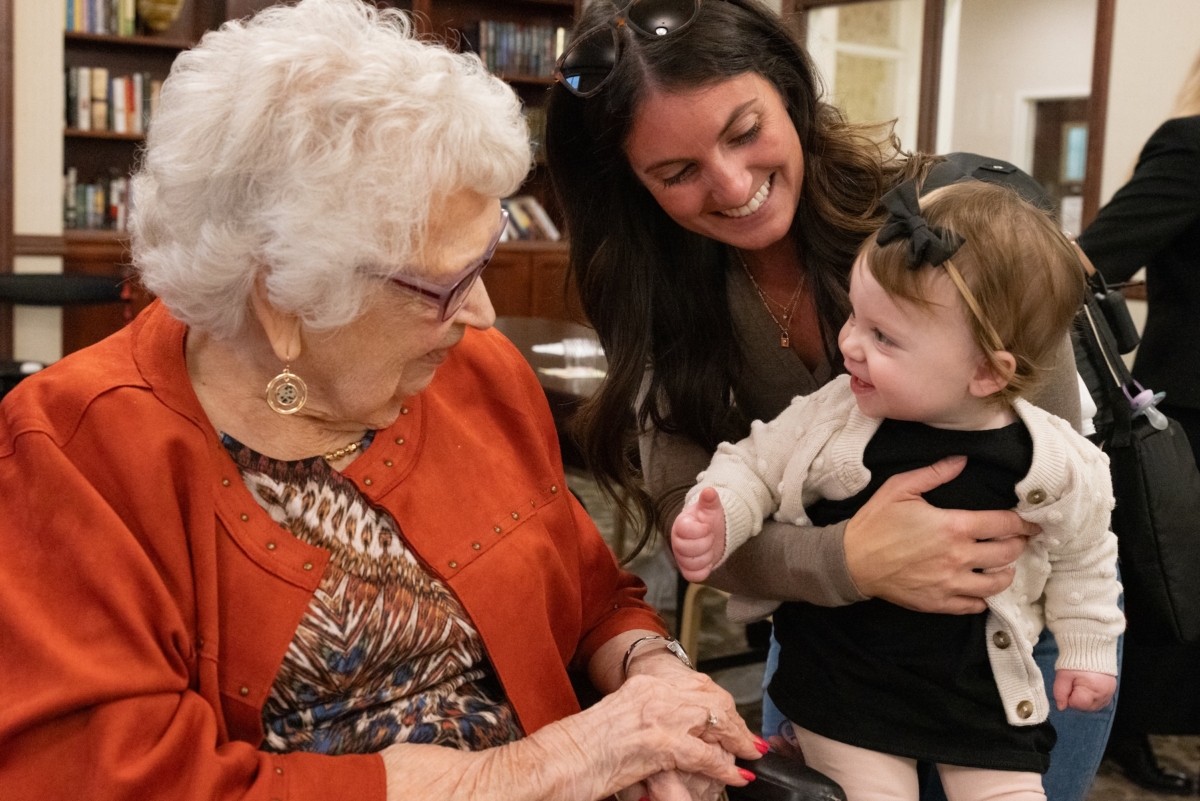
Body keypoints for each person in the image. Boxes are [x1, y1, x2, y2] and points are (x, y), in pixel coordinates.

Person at [0, 2, 767, 799]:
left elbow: (596, 597)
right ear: (286, 303)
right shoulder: (71, 451)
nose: (484, 315)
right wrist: (543, 767)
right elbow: (114, 779)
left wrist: (653, 676)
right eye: (445, 285)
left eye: (487, 257)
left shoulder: (480, 374)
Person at [544, 2, 1115, 799]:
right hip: (832, 662)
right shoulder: (662, 297)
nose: (733, 185)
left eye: (744, 132)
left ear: (789, 91)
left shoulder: (943, 229)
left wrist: (1085, 635)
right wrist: (850, 560)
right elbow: (694, 519)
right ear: (634, 184)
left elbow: (1055, 473)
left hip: (1014, 650)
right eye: (677, 173)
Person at [671, 180, 1124, 800]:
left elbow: (1087, 554)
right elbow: (756, 462)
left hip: (983, 701)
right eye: (855, 317)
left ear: (988, 372)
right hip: (848, 690)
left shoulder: (1056, 460)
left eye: (884, 337)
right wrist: (721, 512)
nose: (849, 344)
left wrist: (1087, 646)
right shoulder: (836, 416)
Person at [1075, 48, 1200, 796]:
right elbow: (1089, 259)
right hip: (1189, 410)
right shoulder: (1191, 145)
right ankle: (1124, 735)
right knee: (1166, 584)